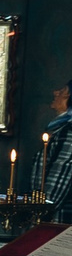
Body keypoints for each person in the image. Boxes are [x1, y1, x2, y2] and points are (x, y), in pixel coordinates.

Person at [43, 82, 72, 218]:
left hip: (59, 220)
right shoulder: (61, 128)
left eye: (63, 91)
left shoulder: (69, 131)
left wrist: (42, 211)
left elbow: (62, 170)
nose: (55, 92)